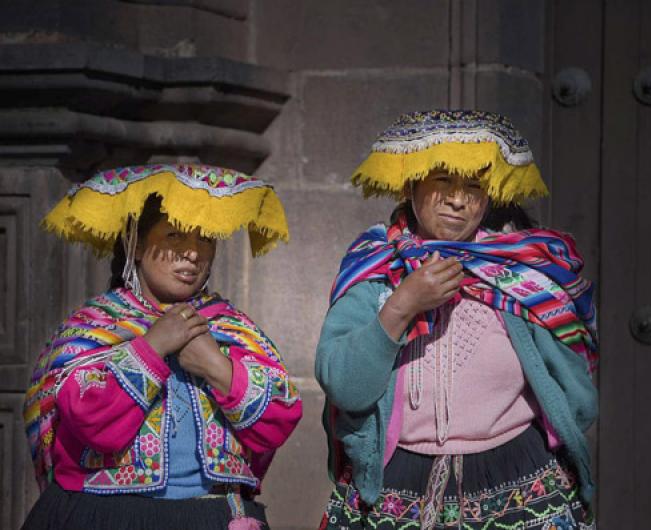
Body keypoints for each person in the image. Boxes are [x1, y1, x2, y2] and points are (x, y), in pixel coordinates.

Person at [315, 110, 598, 530]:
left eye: (473, 186)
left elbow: (576, 388)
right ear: (412, 185)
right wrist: (403, 305)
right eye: (443, 181)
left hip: (519, 485)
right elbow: (344, 385)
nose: (458, 199)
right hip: (395, 488)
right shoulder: (375, 271)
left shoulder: (522, 274)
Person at [22, 164, 302, 530]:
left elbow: (279, 416)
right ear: (135, 245)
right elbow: (89, 419)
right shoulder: (94, 327)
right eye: (174, 236)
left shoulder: (233, 329)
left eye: (204, 239)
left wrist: (216, 366)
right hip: (106, 517)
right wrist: (152, 349)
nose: (192, 254)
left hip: (212, 517)